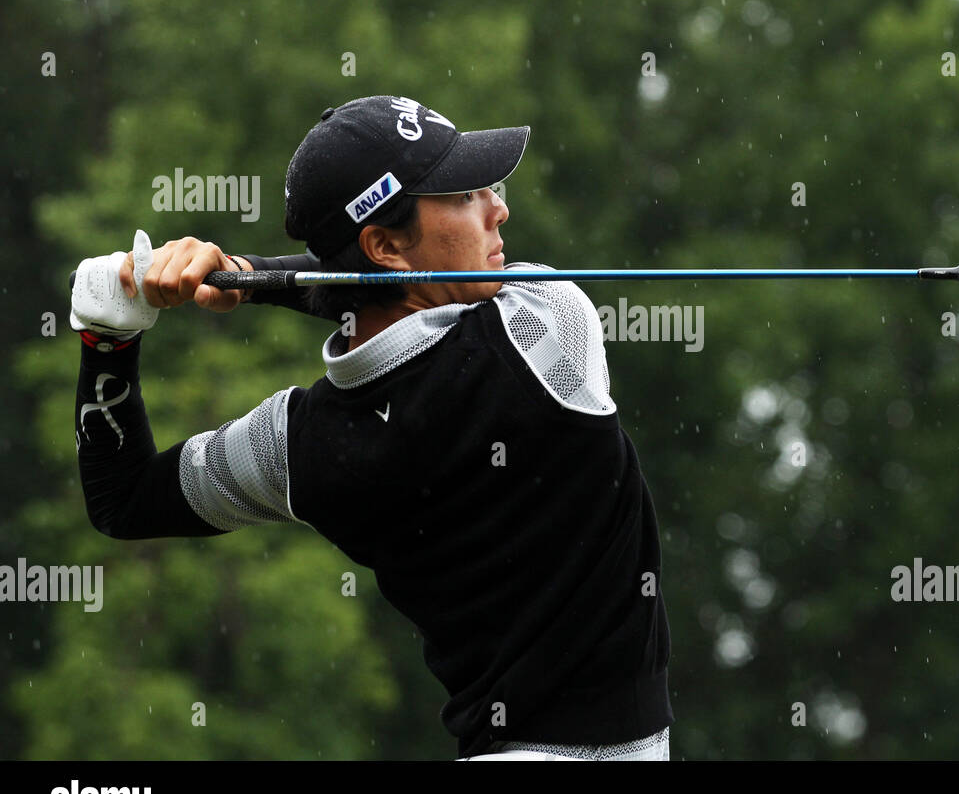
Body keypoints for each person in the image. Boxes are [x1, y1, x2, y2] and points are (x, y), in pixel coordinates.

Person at [69, 94, 672, 760]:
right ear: (386, 245)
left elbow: (122, 499)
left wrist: (109, 332)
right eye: (464, 195)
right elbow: (396, 308)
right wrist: (254, 277)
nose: (499, 207)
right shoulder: (546, 325)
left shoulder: (295, 449)